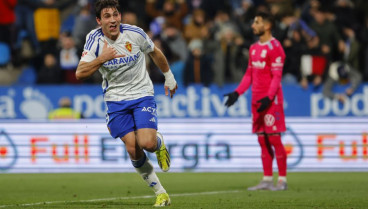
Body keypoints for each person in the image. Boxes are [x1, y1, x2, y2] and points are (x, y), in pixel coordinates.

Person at [75, 0, 177, 206]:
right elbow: (80, 73)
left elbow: (155, 52)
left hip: (142, 94)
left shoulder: (135, 33)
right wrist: (101, 59)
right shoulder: (93, 40)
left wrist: (169, 77)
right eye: (107, 16)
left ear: (120, 16)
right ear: (98, 20)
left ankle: (158, 143)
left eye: (115, 15)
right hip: (115, 101)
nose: (112, 20)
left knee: (146, 143)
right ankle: (161, 193)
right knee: (133, 149)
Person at [224, 11, 288, 191]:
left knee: (275, 139)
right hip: (257, 101)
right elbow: (249, 75)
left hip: (271, 101)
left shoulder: (276, 47)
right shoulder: (253, 48)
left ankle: (282, 180)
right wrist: (237, 93)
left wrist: (269, 97)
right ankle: (267, 179)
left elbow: (277, 77)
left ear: (267, 26)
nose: (253, 25)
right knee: (262, 140)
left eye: (257, 22)